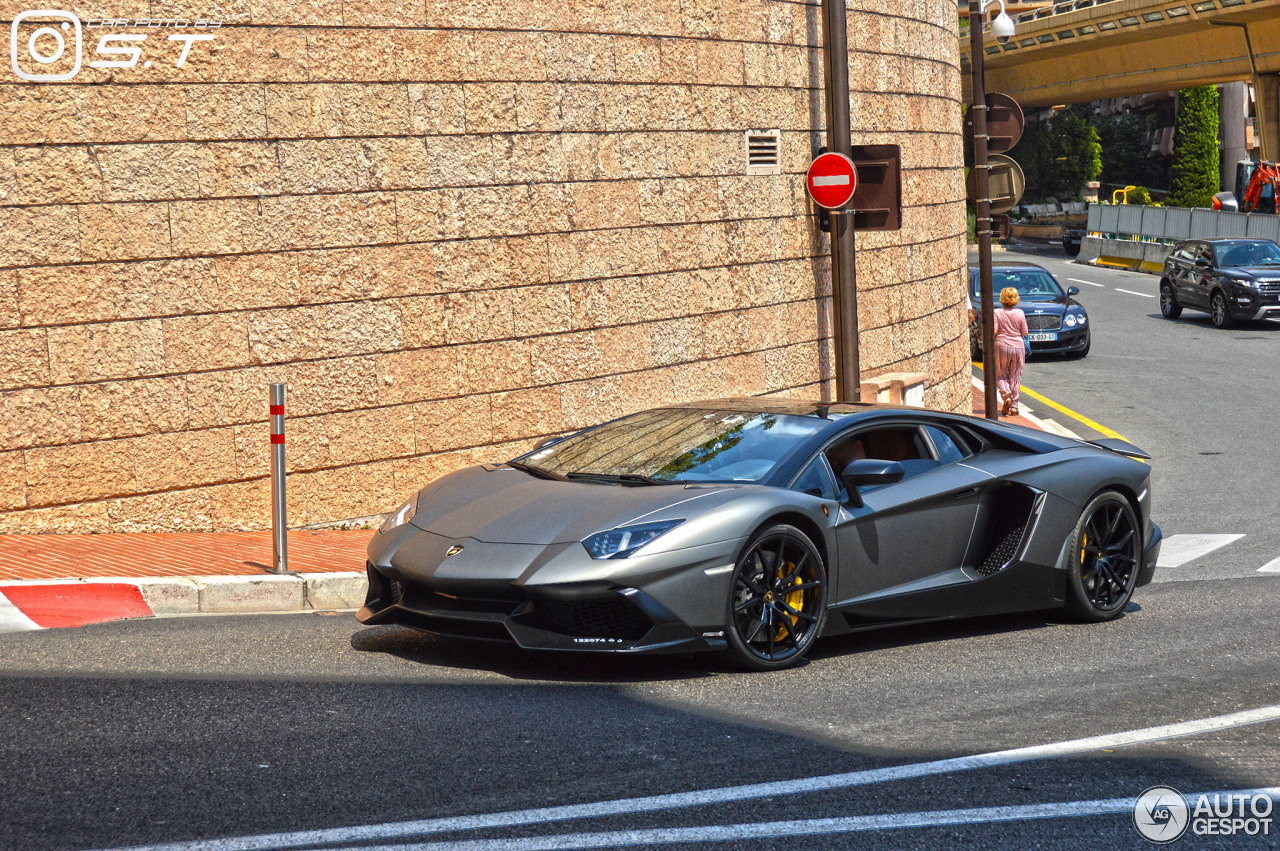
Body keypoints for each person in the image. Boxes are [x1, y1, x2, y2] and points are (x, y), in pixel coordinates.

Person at [993, 286, 1029, 416]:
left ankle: (1006, 396)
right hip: (1018, 347)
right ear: (1016, 299)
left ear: (1002, 299)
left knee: (1001, 375)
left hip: (1002, 346)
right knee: (1015, 377)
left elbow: (994, 330)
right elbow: (1024, 332)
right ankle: (1014, 407)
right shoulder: (1020, 313)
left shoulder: (997, 312)